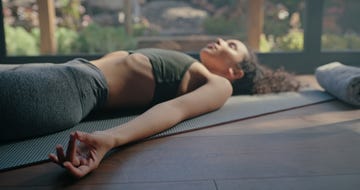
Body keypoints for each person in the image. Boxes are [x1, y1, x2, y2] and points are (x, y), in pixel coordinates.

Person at [0, 38, 299, 178]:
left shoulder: (220, 84)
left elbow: (174, 111)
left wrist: (111, 139)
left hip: (73, 87)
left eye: (232, 46)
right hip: (66, 74)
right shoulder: (189, 64)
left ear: (235, 73)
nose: (220, 41)